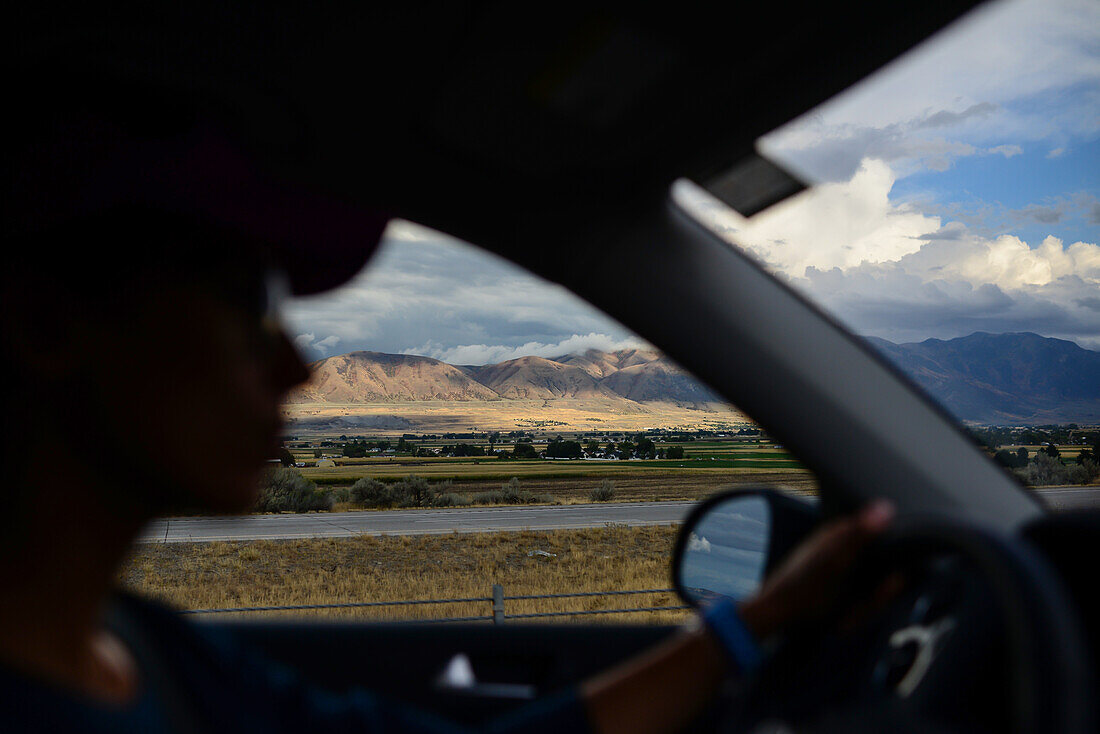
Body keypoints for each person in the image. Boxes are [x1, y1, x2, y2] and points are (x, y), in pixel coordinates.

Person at [0, 72, 895, 733]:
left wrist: (754, 623)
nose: (298, 368)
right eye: (248, 305)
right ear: (44, 325)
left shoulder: (147, 647)